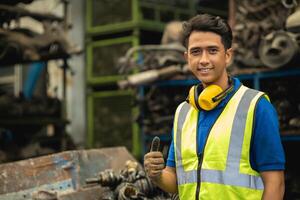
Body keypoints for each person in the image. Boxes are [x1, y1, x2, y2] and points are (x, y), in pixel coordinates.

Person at [144, 14, 285, 200]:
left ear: (227, 55)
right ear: (186, 57)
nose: (203, 60)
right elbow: (175, 182)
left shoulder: (256, 106)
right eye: (196, 52)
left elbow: (275, 183)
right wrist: (157, 175)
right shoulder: (183, 111)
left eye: (212, 50)